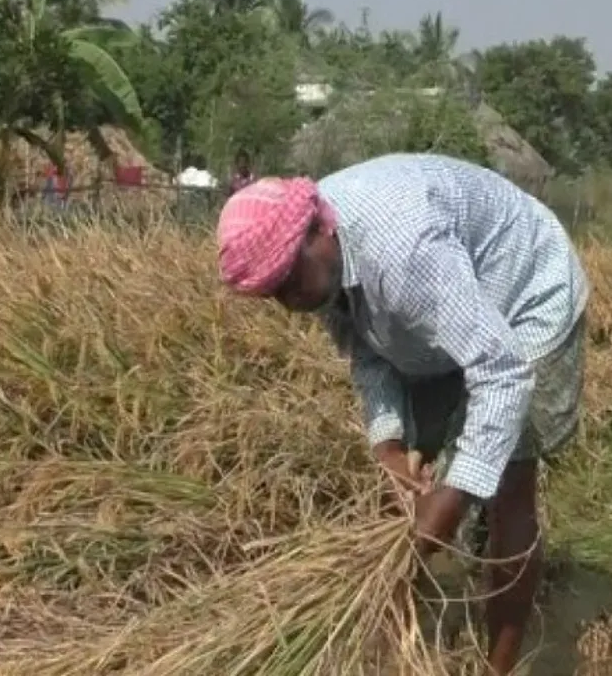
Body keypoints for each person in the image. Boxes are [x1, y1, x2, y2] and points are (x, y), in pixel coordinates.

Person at [215, 153, 589, 675]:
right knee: (414, 482)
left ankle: (498, 668)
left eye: (287, 280)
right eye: (273, 292)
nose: (287, 300)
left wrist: (456, 496)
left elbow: (501, 370)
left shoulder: (403, 252)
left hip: (523, 293)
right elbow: (367, 347)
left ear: (320, 230)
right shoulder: (319, 259)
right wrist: (388, 445)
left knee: (507, 483)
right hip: (448, 311)